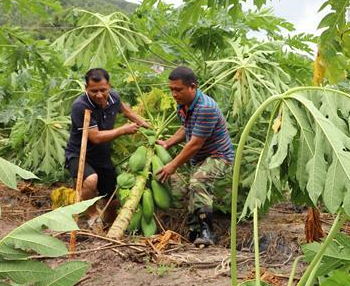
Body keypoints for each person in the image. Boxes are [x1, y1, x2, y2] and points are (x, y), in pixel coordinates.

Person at [154, 66, 234, 247]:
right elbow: (185, 128)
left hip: (218, 156)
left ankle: (208, 233)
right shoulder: (183, 104)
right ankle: (193, 232)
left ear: (193, 87)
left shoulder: (206, 108)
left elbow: (194, 143)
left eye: (178, 90)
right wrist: (168, 143)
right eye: (171, 89)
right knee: (192, 191)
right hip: (200, 157)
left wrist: (172, 165)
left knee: (198, 182)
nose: (174, 94)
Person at [64, 68, 150, 225]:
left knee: (112, 201)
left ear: (109, 86)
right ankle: (91, 215)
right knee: (91, 180)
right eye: (93, 91)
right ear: (86, 88)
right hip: (79, 154)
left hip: (102, 156)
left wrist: (146, 125)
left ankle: (108, 225)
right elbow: (95, 137)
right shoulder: (80, 106)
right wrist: (123, 130)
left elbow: (127, 112)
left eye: (103, 90)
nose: (99, 95)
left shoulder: (114, 98)